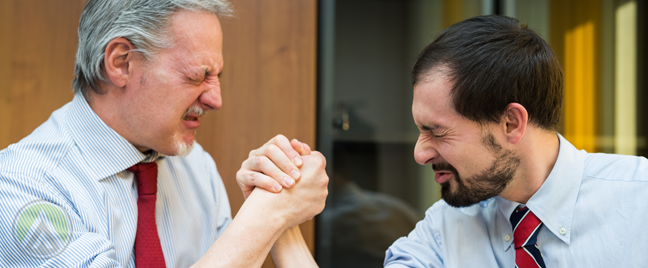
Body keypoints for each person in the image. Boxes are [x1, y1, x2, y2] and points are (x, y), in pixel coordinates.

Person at [0, 0, 327, 267]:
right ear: (121, 63)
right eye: (199, 76)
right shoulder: (19, 186)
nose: (216, 99)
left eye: (218, 77)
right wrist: (270, 213)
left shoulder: (197, 166)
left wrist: (275, 197)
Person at [382, 15, 648, 267]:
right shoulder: (444, 229)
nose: (420, 154)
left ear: (511, 123)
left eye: (437, 132)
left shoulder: (639, 200)